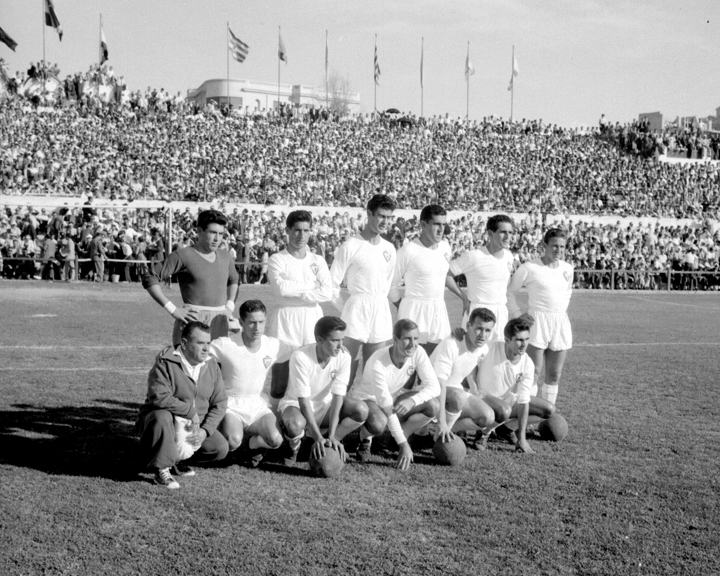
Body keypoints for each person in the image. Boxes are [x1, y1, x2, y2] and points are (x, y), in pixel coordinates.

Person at [136, 321, 229, 489]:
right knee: (161, 416)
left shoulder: (212, 365)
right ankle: (161, 469)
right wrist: (190, 412)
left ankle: (176, 460)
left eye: (208, 343)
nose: (206, 348)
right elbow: (159, 397)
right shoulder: (165, 362)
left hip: (194, 426)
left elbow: (220, 402)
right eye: (200, 343)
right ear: (185, 343)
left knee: (219, 448)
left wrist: (204, 430)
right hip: (165, 423)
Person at [209, 300, 294, 467]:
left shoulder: (273, 345)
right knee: (233, 440)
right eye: (252, 323)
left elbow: (300, 353)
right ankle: (231, 442)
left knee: (276, 440)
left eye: (261, 322)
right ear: (241, 323)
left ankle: (252, 446)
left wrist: (323, 347)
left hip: (256, 403)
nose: (257, 328)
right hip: (230, 403)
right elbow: (199, 352)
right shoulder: (226, 344)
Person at [350, 319, 440, 470]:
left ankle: (396, 437)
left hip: (391, 398)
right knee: (379, 423)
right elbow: (385, 405)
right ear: (395, 339)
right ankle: (365, 438)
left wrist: (413, 400)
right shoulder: (377, 362)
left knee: (433, 405)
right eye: (407, 338)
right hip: (368, 399)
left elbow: (435, 387)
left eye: (416, 338)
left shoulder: (418, 352)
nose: (412, 344)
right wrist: (404, 445)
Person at [279, 316, 368, 467]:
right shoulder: (300, 356)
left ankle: (330, 440)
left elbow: (338, 397)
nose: (340, 346)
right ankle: (294, 447)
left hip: (324, 407)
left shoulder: (344, 356)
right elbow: (303, 401)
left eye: (342, 340)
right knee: (294, 424)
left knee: (361, 410)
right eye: (335, 340)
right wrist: (316, 437)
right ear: (319, 340)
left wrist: (333, 435)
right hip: (297, 406)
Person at [143, 209, 239, 346]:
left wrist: (229, 306)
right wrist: (173, 309)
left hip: (220, 320)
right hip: (193, 320)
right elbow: (150, 277)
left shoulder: (226, 256)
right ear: (199, 231)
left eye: (221, 234)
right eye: (212, 233)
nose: (217, 239)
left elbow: (234, 279)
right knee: (189, 366)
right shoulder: (183, 255)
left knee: (216, 366)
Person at [330, 194, 397, 386]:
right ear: (369, 214)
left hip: (380, 310)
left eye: (389, 217)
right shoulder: (351, 245)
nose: (385, 222)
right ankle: (336, 413)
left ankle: (366, 412)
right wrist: (346, 310)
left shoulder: (389, 249)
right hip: (356, 309)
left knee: (374, 372)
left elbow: (386, 284)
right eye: (381, 216)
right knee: (345, 370)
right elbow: (332, 284)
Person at [469, 318, 555, 453]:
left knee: (549, 410)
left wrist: (522, 438)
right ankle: (483, 433)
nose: (524, 344)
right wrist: (475, 389)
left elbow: (523, 401)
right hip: (483, 399)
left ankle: (506, 429)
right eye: (519, 340)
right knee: (504, 410)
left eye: (527, 339)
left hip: (506, 401)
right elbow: (468, 358)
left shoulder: (527, 363)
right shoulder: (490, 347)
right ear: (507, 340)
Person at [507, 228, 573, 405]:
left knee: (554, 374)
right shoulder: (529, 267)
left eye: (562, 246)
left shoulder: (568, 269)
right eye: (554, 246)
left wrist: (559, 314)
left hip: (559, 322)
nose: (558, 250)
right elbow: (509, 293)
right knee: (533, 372)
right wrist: (518, 315)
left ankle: (545, 416)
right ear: (544, 245)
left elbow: (567, 293)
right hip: (536, 322)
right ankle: (527, 414)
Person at [389, 204, 452, 356]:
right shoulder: (408, 250)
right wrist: (401, 305)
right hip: (414, 310)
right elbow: (391, 284)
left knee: (436, 361)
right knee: (409, 365)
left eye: (443, 224)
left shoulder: (445, 247)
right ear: (423, 224)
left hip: (438, 310)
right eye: (436, 224)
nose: (441, 229)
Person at [268, 210, 333, 347]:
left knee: (310, 363)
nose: (301, 236)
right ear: (287, 230)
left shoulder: (318, 260)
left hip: (312, 317)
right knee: (283, 365)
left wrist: (298, 294)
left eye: (306, 231)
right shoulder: (277, 259)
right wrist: (313, 284)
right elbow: (281, 289)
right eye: (297, 230)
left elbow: (327, 292)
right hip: (285, 318)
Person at [431, 308, 494, 444]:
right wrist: (442, 421)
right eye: (479, 328)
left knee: (487, 417)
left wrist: (474, 388)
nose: (482, 335)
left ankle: (447, 430)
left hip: (454, 390)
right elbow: (439, 383)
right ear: (468, 326)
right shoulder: (451, 344)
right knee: (458, 396)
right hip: (431, 391)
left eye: (488, 330)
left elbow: (468, 364)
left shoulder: (484, 349)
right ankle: (439, 433)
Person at [447, 214, 515, 341]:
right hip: (477, 313)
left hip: (501, 313)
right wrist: (464, 298)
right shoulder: (473, 256)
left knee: (497, 357)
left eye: (510, 232)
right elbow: (446, 274)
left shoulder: (509, 256)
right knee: (472, 356)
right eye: (503, 232)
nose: (508, 237)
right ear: (490, 233)